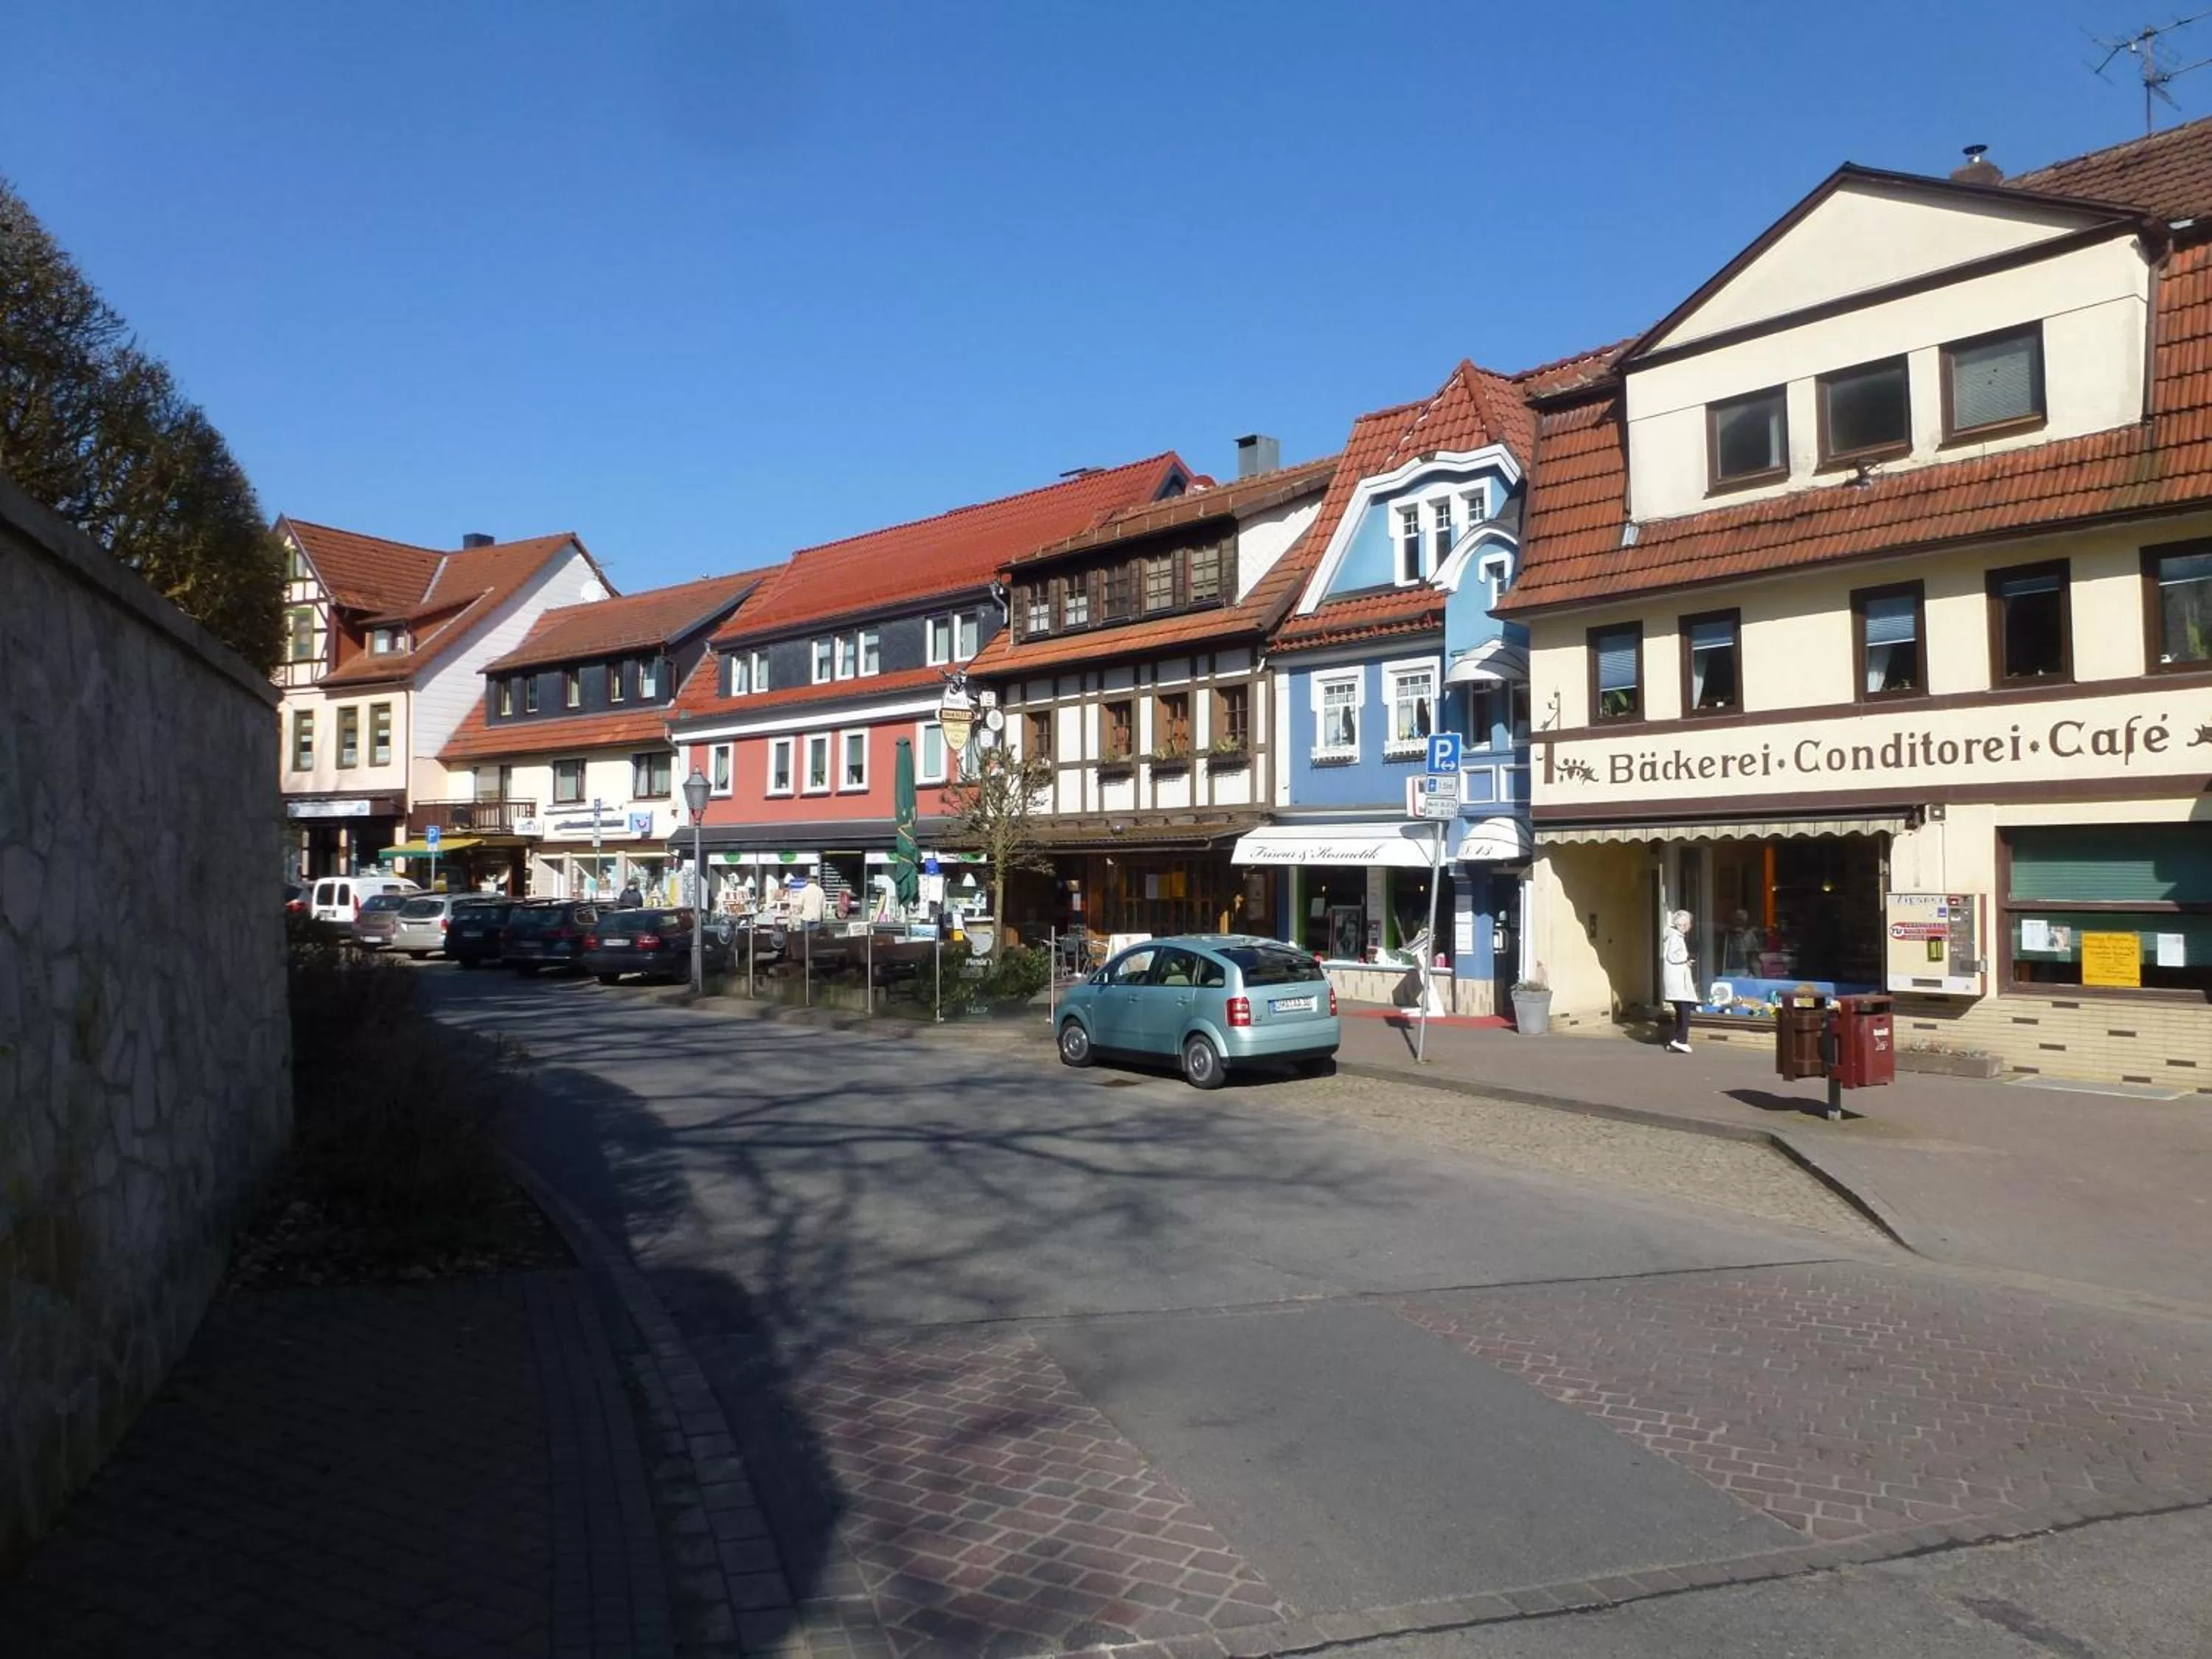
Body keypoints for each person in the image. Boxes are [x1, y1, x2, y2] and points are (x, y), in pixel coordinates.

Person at [1661, 909, 1698, 1054]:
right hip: (1678, 982)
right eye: (1689, 923)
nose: (1690, 926)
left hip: (1676, 980)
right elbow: (1673, 956)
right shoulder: (1675, 938)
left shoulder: (1674, 936)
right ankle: (1681, 1040)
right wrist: (1686, 959)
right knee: (1684, 1011)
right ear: (1683, 925)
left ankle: (1678, 1040)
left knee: (1682, 1011)